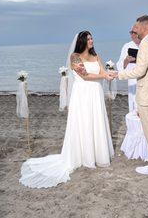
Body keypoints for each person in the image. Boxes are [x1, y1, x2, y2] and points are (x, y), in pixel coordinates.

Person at [20, 31, 114, 188]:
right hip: (83, 94)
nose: (91, 41)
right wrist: (104, 77)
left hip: (95, 93)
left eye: (92, 38)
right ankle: (83, 156)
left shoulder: (96, 55)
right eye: (88, 38)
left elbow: (102, 72)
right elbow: (84, 75)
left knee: (96, 121)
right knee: (84, 122)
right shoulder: (75, 57)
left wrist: (110, 74)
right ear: (82, 41)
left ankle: (98, 154)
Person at [113, 15, 148, 175]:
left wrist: (118, 74)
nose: (135, 30)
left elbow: (139, 70)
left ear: (144, 27)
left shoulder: (145, 43)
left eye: (136, 27)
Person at [116, 24, 140, 112]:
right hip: (133, 79)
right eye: (131, 32)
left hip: (145, 78)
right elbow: (119, 65)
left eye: (135, 33)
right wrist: (126, 60)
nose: (132, 35)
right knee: (134, 105)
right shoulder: (127, 46)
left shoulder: (146, 44)